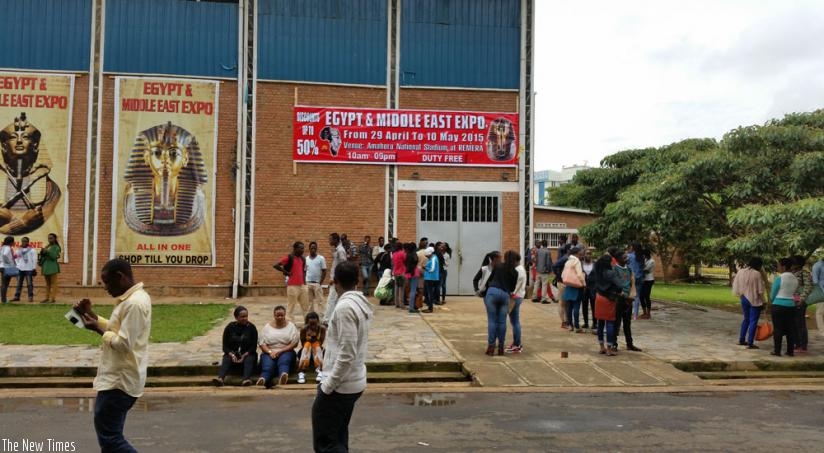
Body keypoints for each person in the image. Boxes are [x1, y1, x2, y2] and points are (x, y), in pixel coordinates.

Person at [73, 258, 151, 452]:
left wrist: (97, 330)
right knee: (110, 438)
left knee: (111, 440)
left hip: (119, 381)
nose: (105, 288)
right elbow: (118, 329)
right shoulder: (133, 300)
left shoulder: (134, 303)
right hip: (118, 378)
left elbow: (123, 344)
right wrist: (92, 316)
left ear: (120, 277)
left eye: (108, 282)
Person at [312, 261, 373, 453]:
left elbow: (347, 353)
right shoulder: (359, 303)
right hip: (352, 381)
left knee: (326, 441)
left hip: (341, 385)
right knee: (337, 434)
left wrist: (328, 386)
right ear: (357, 281)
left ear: (335, 282)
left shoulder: (345, 308)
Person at [483, 250, 519, 356]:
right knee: (502, 322)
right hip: (505, 295)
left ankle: (491, 347)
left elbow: (490, 280)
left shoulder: (498, 266)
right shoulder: (515, 272)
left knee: (492, 320)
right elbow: (512, 288)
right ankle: (501, 348)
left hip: (492, 292)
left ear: (505, 258)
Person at [213, 306, 258, 387]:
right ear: (236, 317)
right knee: (226, 358)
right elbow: (225, 347)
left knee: (249, 359)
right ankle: (220, 379)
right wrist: (231, 354)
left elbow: (253, 347)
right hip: (233, 355)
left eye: (246, 316)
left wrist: (244, 355)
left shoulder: (252, 328)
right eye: (242, 317)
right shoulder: (230, 327)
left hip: (247, 354)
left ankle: (246, 379)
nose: (245, 318)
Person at [258, 305, 299, 388]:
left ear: (285, 315)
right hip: (269, 351)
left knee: (284, 361)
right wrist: (270, 352)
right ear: (274, 315)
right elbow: (262, 343)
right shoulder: (267, 327)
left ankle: (283, 376)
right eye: (278, 315)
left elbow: (294, 343)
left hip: (286, 350)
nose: (280, 317)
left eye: (282, 315)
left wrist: (280, 351)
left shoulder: (291, 326)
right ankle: (263, 379)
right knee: (267, 366)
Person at [610, 248, 642, 352]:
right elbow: (614, 284)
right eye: (624, 257)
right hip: (619, 299)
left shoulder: (629, 269)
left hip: (628, 299)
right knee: (616, 322)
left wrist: (631, 296)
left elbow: (631, 283)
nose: (627, 259)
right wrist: (621, 295)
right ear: (618, 259)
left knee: (627, 322)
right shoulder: (614, 269)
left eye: (626, 257)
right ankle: (613, 343)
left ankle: (629, 343)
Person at [732, 257, 766, 349]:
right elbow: (760, 291)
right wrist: (764, 302)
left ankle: (741, 339)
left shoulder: (741, 272)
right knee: (753, 321)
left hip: (744, 298)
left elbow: (736, 285)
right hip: (754, 300)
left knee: (746, 319)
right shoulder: (757, 274)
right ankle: (750, 342)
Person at [593, 254, 622, 356]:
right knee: (610, 323)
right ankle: (609, 348)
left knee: (600, 323)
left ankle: (602, 347)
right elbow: (620, 285)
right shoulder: (610, 273)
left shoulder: (598, 271)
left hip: (599, 297)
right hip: (608, 299)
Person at [274, 241, 309, 321]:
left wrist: (304, 283)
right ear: (295, 249)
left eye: (303, 248)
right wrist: (286, 272)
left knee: (305, 306)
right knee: (291, 306)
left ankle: (307, 322)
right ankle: (290, 323)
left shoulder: (303, 259)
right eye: (301, 248)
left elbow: (303, 271)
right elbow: (276, 265)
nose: (302, 250)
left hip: (302, 286)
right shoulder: (289, 258)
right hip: (292, 286)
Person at [771, 257, 799, 356]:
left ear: (783, 267)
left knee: (778, 329)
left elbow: (773, 294)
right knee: (790, 329)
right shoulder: (795, 278)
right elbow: (796, 293)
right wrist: (795, 302)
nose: (777, 267)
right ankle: (790, 351)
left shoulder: (780, 278)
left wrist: (771, 302)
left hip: (778, 305)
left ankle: (777, 351)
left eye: (778, 265)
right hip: (791, 306)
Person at [323, 232, 348, 325]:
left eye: (330, 239)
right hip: (336, 280)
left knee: (331, 300)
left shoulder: (340, 251)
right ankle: (335, 320)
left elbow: (343, 265)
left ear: (336, 240)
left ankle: (326, 320)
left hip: (336, 280)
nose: (329, 241)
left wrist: (335, 279)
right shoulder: (337, 250)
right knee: (336, 300)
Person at [791, 255, 813, 353]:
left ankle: (803, 345)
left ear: (798, 264)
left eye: (793, 262)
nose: (791, 264)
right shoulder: (792, 272)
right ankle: (797, 343)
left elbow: (808, 287)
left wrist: (801, 300)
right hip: (792, 300)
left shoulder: (805, 273)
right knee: (794, 323)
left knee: (800, 323)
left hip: (800, 300)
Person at [505, 253, 527, 354]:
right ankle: (516, 343)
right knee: (514, 321)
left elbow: (515, 287)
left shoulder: (518, 271)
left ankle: (517, 344)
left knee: (515, 321)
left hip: (515, 297)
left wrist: (510, 294)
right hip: (518, 296)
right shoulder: (519, 269)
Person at [562, 246, 586, 332]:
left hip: (568, 286)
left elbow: (563, 274)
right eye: (580, 253)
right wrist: (584, 284)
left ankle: (570, 325)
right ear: (577, 253)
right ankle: (577, 326)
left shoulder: (568, 261)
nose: (581, 254)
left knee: (569, 307)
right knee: (576, 307)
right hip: (577, 286)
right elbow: (579, 274)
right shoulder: (577, 261)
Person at [298, 311, 327, 384]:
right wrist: (309, 341)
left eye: (314, 324)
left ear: (317, 321)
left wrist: (314, 340)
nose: (313, 326)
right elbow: (303, 342)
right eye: (311, 324)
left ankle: (320, 370)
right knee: (307, 345)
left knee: (316, 345)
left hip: (317, 350)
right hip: (306, 351)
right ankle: (302, 371)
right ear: (307, 322)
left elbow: (321, 342)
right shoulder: (304, 329)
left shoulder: (322, 329)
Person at [305, 241, 328, 314]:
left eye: (314, 248)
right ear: (309, 248)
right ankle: (310, 316)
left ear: (316, 248)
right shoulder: (306, 259)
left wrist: (320, 283)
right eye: (312, 248)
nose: (313, 249)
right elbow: (304, 271)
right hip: (308, 283)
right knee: (309, 302)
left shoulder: (321, 258)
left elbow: (324, 271)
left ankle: (322, 317)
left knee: (320, 301)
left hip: (317, 283)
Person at [39, 232, 60, 303]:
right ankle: (46, 298)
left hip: (52, 267)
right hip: (45, 266)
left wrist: (47, 252)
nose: (49, 240)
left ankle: (53, 298)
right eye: (48, 238)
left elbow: (53, 256)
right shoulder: (47, 246)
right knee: (47, 284)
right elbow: (44, 256)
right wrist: (42, 253)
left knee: (54, 284)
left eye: (51, 238)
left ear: (55, 239)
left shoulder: (56, 247)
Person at [13, 236, 36, 302]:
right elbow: (16, 258)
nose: (24, 242)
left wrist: (34, 268)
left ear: (28, 242)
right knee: (19, 283)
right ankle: (17, 297)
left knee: (29, 283)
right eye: (23, 241)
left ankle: (30, 297)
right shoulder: (18, 250)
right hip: (20, 268)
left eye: (25, 241)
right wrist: (17, 265)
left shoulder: (32, 250)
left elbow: (34, 259)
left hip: (29, 268)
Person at [581, 249, 596, 330]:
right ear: (584, 255)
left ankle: (595, 323)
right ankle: (586, 322)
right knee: (584, 305)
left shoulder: (595, 264)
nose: (588, 255)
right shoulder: (581, 264)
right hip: (584, 288)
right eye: (586, 254)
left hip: (593, 288)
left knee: (594, 306)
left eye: (589, 254)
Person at [404, 242, 421, 313]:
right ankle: (411, 307)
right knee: (413, 290)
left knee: (411, 290)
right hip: (414, 273)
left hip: (408, 273)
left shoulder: (407, 254)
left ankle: (412, 306)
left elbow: (406, 263)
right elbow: (415, 262)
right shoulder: (414, 254)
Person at [639, 250, 655, 319]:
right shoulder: (645, 260)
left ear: (646, 255)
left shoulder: (652, 261)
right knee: (641, 296)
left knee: (646, 296)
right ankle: (644, 312)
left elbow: (646, 270)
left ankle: (648, 313)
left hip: (649, 280)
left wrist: (638, 270)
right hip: (644, 280)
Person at [423, 246, 439, 313]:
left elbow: (432, 269)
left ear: (430, 253)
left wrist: (425, 268)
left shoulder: (433, 259)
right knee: (429, 293)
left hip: (430, 278)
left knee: (430, 293)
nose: (426, 256)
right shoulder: (432, 258)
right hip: (429, 277)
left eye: (427, 255)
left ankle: (430, 308)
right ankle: (429, 307)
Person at [391, 240, 407, 309]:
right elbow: (405, 261)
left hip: (395, 272)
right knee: (401, 289)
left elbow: (392, 263)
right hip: (402, 272)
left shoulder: (394, 254)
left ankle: (396, 303)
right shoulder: (403, 253)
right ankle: (401, 304)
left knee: (396, 287)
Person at [0, 236, 16, 303]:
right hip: (7, 267)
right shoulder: (8, 248)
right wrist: (9, 262)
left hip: (2, 266)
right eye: (13, 241)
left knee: (4, 283)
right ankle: (4, 299)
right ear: (11, 242)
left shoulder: (2, 247)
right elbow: (5, 255)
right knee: (5, 284)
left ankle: (3, 299)